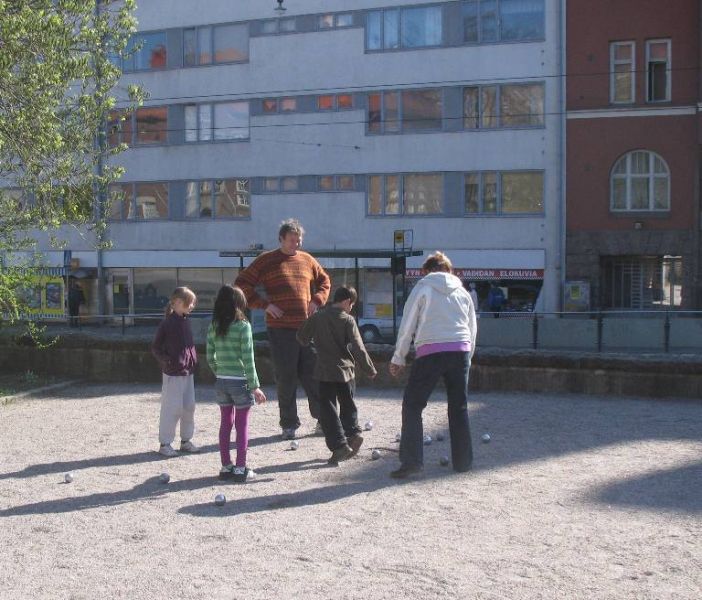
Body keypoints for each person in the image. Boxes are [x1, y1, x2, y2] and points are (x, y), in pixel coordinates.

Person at [235, 218, 331, 440]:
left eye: (298, 240)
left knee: (314, 376)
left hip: (307, 329)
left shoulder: (308, 260)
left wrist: (317, 299)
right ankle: (289, 425)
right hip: (280, 330)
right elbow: (241, 284)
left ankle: (322, 420)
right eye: (291, 240)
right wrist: (264, 305)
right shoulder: (266, 261)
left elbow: (325, 281)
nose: (296, 244)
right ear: (281, 239)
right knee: (286, 377)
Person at [389, 252, 477, 479]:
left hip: (430, 351)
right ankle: (463, 462)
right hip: (460, 351)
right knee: (459, 407)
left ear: (426, 271)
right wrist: (469, 357)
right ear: (449, 270)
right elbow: (472, 327)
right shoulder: (463, 292)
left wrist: (398, 357)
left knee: (413, 405)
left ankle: (412, 462)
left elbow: (408, 324)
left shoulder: (423, 288)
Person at [297, 286, 377, 465]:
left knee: (328, 409)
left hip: (325, 371)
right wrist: (369, 369)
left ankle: (339, 445)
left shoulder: (318, 317)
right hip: (346, 371)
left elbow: (301, 337)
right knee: (348, 404)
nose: (352, 308)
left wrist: (315, 342)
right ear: (348, 301)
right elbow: (358, 347)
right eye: (352, 305)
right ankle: (353, 433)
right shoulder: (348, 320)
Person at [207, 285, 266, 482]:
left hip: (222, 381)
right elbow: (248, 359)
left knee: (225, 424)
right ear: (240, 304)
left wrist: (219, 371)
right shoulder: (243, 326)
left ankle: (226, 467)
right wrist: (255, 386)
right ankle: (241, 469)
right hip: (240, 382)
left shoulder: (214, 325)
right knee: (242, 426)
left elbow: (209, 356)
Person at [151, 286, 200, 457]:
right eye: (190, 302)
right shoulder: (167, 323)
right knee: (172, 408)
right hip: (173, 373)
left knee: (189, 407)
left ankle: (186, 440)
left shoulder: (185, 321)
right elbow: (156, 347)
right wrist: (168, 361)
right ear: (178, 302)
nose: (192, 305)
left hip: (187, 371)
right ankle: (165, 443)